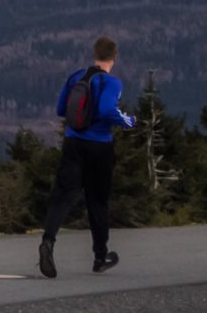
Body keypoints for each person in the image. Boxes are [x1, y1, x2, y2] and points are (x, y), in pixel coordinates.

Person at [37, 36, 134, 278]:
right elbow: (105, 109)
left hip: (73, 143)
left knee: (62, 196)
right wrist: (127, 121)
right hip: (100, 147)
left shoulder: (76, 77)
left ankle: (48, 242)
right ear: (114, 57)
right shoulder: (112, 83)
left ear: (94, 53)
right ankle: (100, 257)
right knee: (97, 202)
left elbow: (61, 110)